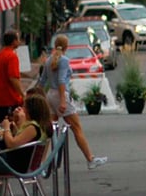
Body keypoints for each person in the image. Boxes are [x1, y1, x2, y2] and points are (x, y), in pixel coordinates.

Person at [39, 35, 108, 170]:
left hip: (50, 95)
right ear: (67, 47)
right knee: (76, 128)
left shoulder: (48, 61)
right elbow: (61, 81)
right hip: (60, 95)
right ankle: (90, 159)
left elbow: (42, 81)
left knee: (48, 130)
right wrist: (63, 101)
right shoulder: (64, 60)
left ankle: (40, 161)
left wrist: (38, 96)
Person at [0, 31, 24, 124]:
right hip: (9, 99)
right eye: (18, 39)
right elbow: (13, 78)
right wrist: (22, 94)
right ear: (13, 41)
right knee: (11, 128)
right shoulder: (12, 56)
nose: (19, 41)